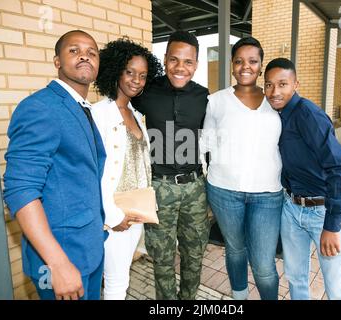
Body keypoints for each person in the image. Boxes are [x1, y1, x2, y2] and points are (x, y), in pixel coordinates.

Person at [3, 30, 106, 300]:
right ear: (57, 62)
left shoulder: (80, 107)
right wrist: (58, 263)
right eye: (74, 50)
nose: (85, 55)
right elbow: (20, 189)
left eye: (92, 52)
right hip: (62, 260)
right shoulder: (41, 107)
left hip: (89, 251)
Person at [264, 57, 341, 300]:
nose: (275, 91)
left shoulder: (308, 114)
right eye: (269, 85)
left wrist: (333, 225)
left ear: (295, 84)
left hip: (322, 211)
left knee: (337, 284)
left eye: (282, 84)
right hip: (292, 209)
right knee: (295, 277)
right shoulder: (277, 115)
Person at [200, 37, 283, 300]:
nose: (245, 66)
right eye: (238, 61)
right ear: (232, 65)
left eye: (252, 61)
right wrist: (206, 180)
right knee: (235, 250)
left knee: (263, 264)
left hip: (268, 194)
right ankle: (239, 299)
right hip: (224, 192)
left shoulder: (277, 100)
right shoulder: (216, 101)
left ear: (260, 66)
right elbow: (205, 144)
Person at [131, 30, 210, 300]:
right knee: (161, 256)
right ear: (164, 59)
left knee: (194, 252)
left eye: (188, 62)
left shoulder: (203, 97)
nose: (180, 67)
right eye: (174, 60)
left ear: (196, 64)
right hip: (159, 187)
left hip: (194, 187)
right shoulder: (145, 92)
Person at [91, 38, 163, 300]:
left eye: (143, 75)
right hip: (115, 217)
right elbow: (93, 171)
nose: (136, 80)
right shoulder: (98, 114)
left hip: (135, 214)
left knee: (122, 278)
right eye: (130, 72)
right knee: (116, 284)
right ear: (116, 71)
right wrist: (111, 216)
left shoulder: (135, 113)